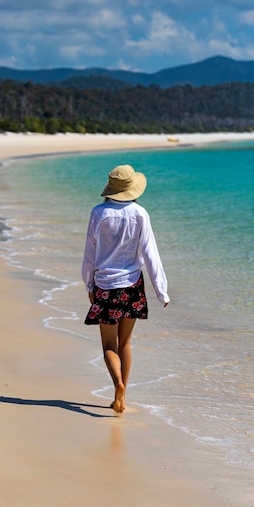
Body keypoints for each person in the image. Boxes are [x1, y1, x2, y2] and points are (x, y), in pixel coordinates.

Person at [82, 164, 170, 414]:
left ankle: (116, 383)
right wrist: (161, 290)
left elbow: (90, 253)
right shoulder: (141, 213)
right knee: (125, 344)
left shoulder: (98, 213)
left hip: (106, 286)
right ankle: (122, 395)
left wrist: (89, 283)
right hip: (132, 286)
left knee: (109, 345)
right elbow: (151, 253)